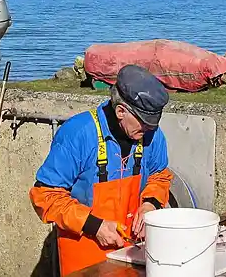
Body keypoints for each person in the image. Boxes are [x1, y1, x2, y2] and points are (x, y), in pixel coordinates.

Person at [29, 64, 174, 276]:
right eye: (144, 124)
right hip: (84, 258)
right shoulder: (77, 134)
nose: (149, 130)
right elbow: (45, 196)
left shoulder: (152, 134)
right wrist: (93, 225)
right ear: (121, 111)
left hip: (132, 255)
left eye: (153, 124)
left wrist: (150, 205)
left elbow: (160, 175)